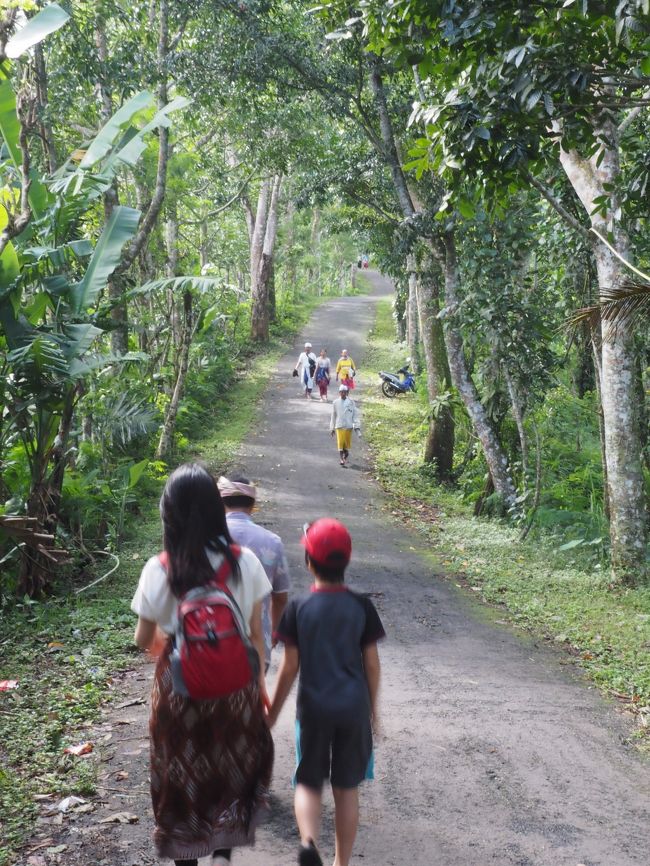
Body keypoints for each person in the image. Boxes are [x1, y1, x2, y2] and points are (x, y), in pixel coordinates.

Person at [131, 463, 274, 866]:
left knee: (181, 778)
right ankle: (223, 853)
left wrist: (179, 649)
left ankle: (187, 856)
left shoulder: (159, 568)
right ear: (216, 508)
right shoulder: (245, 562)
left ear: (169, 514)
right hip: (236, 687)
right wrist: (259, 685)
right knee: (229, 766)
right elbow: (255, 635)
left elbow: (143, 639)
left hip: (179, 693)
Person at [267, 518, 385, 866]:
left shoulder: (298, 608)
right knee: (346, 788)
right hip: (353, 709)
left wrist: (272, 713)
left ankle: (308, 842)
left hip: (314, 710)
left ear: (308, 562)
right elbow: (372, 665)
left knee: (308, 782)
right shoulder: (362, 606)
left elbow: (289, 667)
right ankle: (341, 863)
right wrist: (373, 711)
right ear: (347, 561)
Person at [218, 473, 290, 672]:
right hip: (256, 647)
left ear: (220, 503)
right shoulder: (272, 542)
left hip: (210, 642)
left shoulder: (206, 538)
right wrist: (273, 632)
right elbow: (280, 597)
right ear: (252, 505)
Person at [330, 384, 360, 467]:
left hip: (348, 426)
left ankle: (345, 455)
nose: (343, 393)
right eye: (341, 392)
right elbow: (333, 416)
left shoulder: (351, 402)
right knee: (340, 443)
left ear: (347, 393)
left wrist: (357, 426)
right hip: (339, 426)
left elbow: (355, 415)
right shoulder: (335, 402)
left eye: (344, 392)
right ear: (339, 393)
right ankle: (341, 459)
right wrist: (332, 428)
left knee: (346, 445)